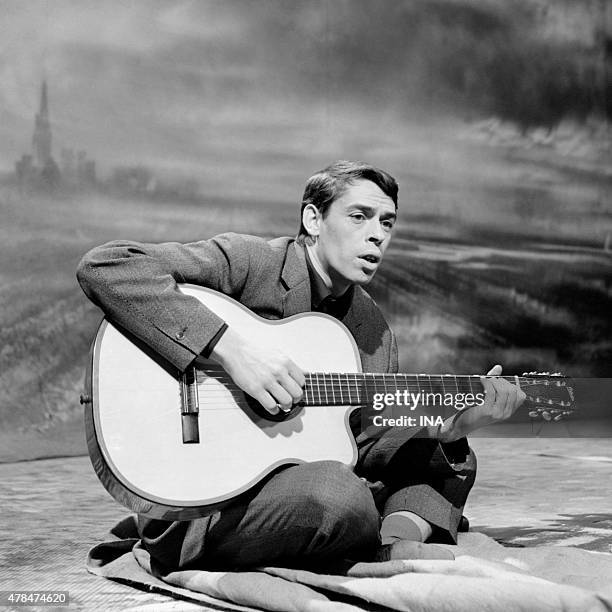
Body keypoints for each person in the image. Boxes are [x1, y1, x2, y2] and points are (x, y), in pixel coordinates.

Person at [77, 160, 526, 572]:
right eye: (359, 216)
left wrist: (440, 426)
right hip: (202, 506)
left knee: (451, 457)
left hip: (294, 485)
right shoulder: (251, 262)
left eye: (387, 222)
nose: (377, 235)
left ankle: (393, 541)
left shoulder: (373, 328)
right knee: (339, 495)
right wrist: (231, 351)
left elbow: (364, 436)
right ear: (313, 219)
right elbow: (107, 265)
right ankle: (378, 532)